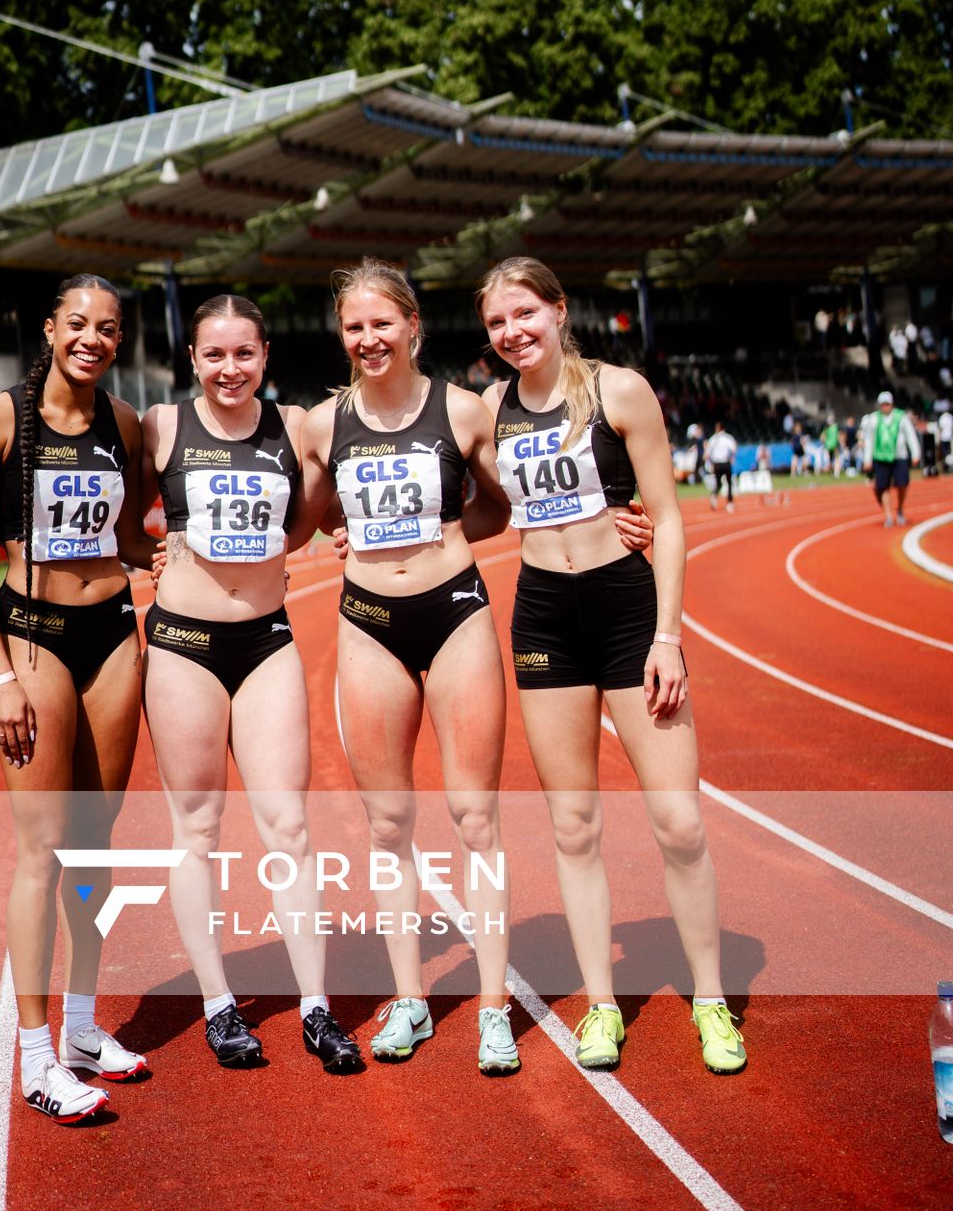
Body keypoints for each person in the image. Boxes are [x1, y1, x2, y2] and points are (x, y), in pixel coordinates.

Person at [301, 260, 653, 1076]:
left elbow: (512, 501)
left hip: (455, 613)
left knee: (475, 818)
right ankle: (411, 1002)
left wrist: (615, 515)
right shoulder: (323, 424)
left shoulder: (464, 412)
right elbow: (303, 516)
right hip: (367, 626)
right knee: (388, 824)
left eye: (381, 324)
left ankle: (493, 1008)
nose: (368, 339)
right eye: (354, 327)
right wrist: (331, 536)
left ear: (412, 325)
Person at [476, 255, 745, 1077]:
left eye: (526, 314)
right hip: (545, 617)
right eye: (496, 323)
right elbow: (467, 503)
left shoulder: (618, 391)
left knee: (680, 823)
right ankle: (601, 1004)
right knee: (573, 825)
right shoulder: (490, 407)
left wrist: (668, 636)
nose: (513, 332)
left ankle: (711, 1001)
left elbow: (665, 519)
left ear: (559, 311)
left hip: (630, 615)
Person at [142, 295, 364, 1074]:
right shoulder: (161, 427)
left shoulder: (296, 425)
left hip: (266, 640)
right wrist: (149, 558)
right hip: (183, 646)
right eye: (214, 355)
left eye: (244, 354)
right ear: (193, 360)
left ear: (265, 356)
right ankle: (218, 1004)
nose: (229, 369)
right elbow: (118, 508)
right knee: (197, 833)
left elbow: (319, 507)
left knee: (289, 830)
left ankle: (314, 1008)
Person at [0, 274, 155, 1124]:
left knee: (95, 842)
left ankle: (80, 1024)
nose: (93, 339)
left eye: (108, 329)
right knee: (41, 849)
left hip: (113, 636)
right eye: (78, 324)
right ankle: (35, 1055)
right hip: (32, 638)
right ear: (50, 328)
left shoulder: (125, 423)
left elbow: (139, 533)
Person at [861, 390, 921, 527]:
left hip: (899, 456)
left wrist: (915, 453)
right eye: (882, 404)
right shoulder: (873, 419)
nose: (885, 407)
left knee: (902, 484)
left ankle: (899, 509)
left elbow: (910, 435)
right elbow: (869, 440)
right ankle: (888, 515)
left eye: (887, 404)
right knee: (883, 486)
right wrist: (867, 459)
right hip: (881, 457)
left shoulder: (901, 417)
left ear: (892, 404)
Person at [704, 422, 738, 512]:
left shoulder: (712, 439)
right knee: (729, 483)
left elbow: (707, 454)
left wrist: (710, 463)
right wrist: (731, 457)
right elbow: (734, 449)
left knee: (718, 483)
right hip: (725, 463)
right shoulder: (728, 438)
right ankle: (729, 503)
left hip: (716, 464)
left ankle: (714, 497)